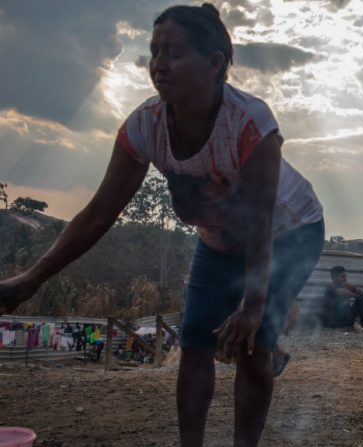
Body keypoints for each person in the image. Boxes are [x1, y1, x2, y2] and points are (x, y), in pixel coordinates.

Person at [0, 5, 324, 446]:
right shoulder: (144, 126)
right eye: (154, 52)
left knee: (254, 345)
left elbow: (262, 222)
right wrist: (31, 279)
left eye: (174, 53)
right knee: (195, 343)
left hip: (289, 233)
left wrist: (252, 309)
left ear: (214, 64)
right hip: (217, 242)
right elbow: (98, 214)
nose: (159, 65)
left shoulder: (251, 124)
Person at [322, 266, 363, 331]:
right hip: (333, 321)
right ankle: (353, 323)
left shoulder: (345, 285)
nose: (345, 279)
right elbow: (343, 292)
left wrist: (355, 289)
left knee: (360, 299)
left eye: (345, 276)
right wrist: (354, 291)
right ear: (334, 278)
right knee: (343, 302)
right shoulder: (330, 287)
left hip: (346, 318)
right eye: (342, 277)